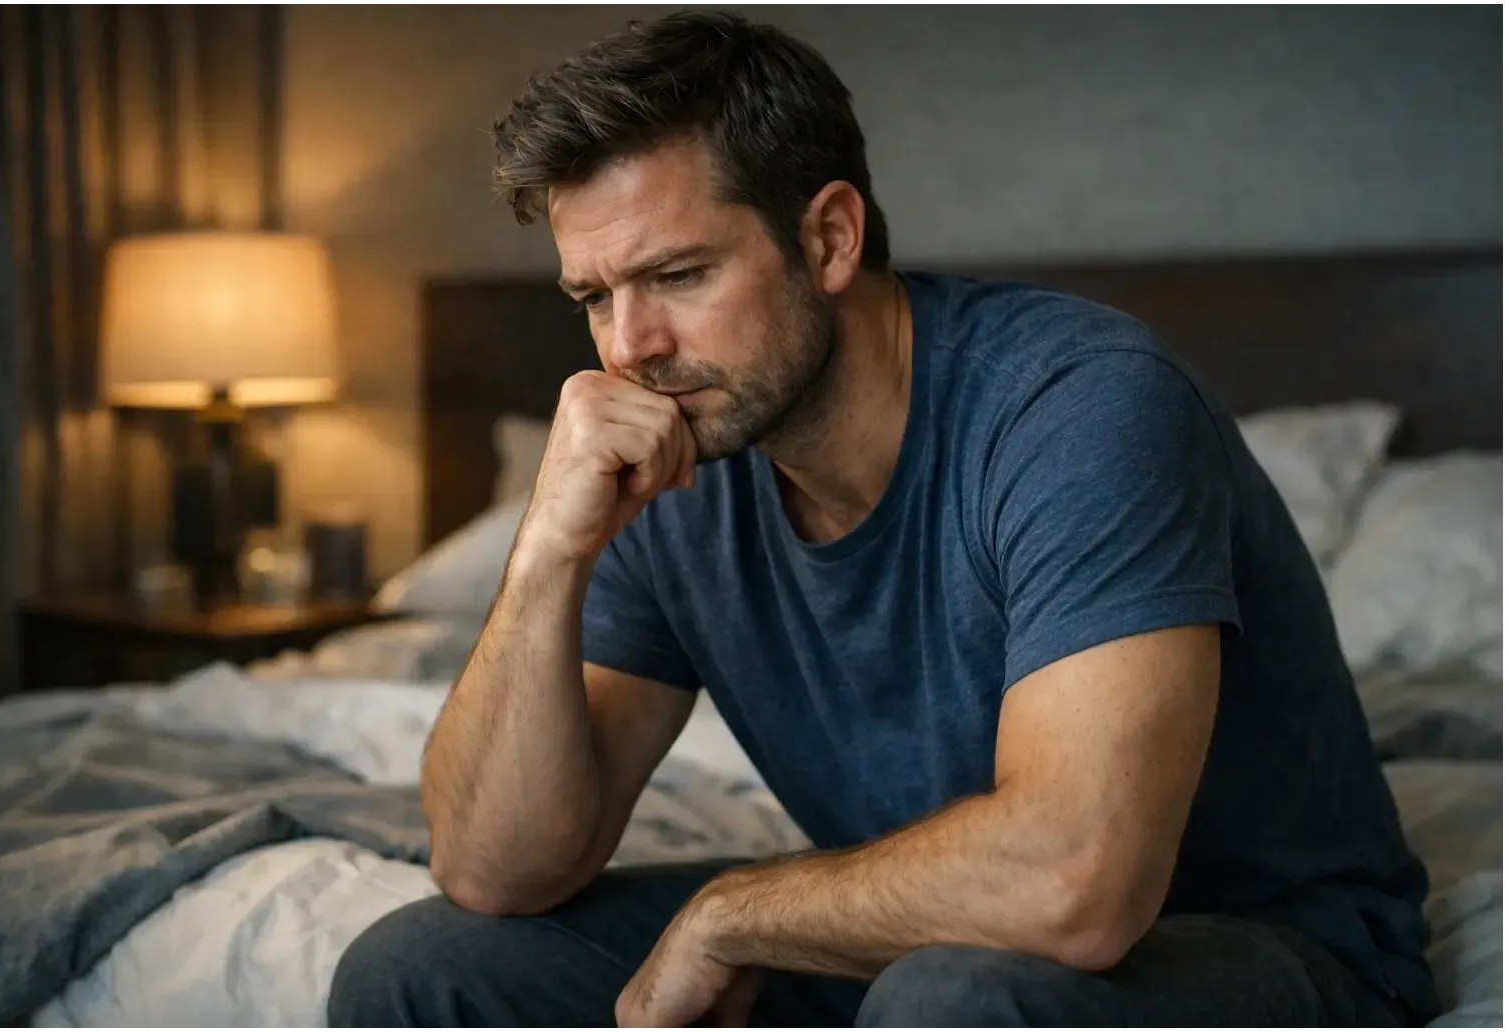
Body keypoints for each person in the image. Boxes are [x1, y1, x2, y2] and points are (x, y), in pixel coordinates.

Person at [327, 10, 1439, 1031]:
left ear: (829, 238)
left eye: (678, 275)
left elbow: (1077, 885)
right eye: (593, 298)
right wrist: (546, 553)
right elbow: (494, 870)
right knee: (421, 967)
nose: (630, 348)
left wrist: (733, 914)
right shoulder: (679, 452)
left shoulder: (1080, 406)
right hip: (930, 945)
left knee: (950, 1001)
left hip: (1260, 948)